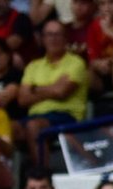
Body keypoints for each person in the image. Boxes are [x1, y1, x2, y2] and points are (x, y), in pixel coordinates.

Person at [20, 20, 89, 167]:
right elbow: (22, 99)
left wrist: (35, 88)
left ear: (66, 38)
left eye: (58, 34)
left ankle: (42, 176)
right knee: (7, 128)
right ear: (43, 38)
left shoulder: (76, 63)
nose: (53, 39)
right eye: (49, 35)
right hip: (35, 116)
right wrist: (53, 87)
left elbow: (61, 92)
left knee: (33, 126)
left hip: (66, 116)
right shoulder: (33, 66)